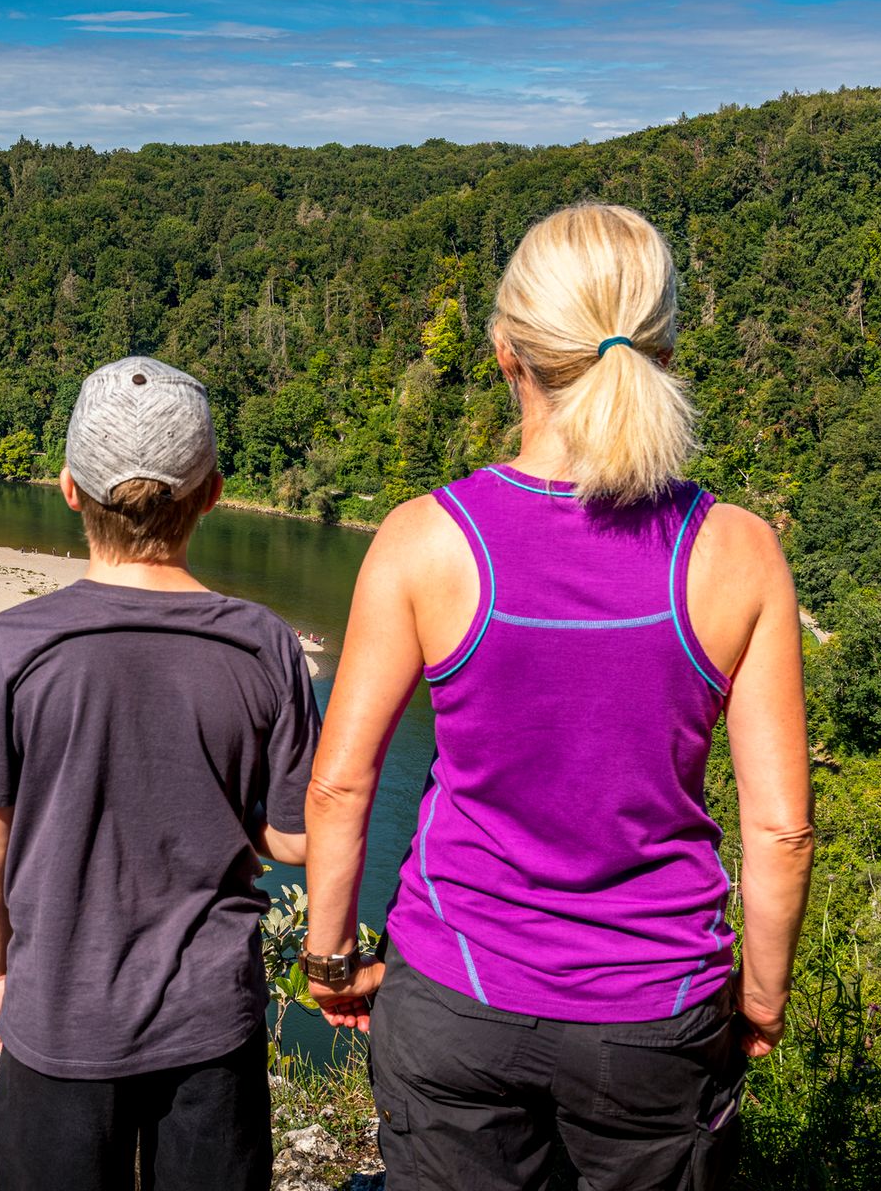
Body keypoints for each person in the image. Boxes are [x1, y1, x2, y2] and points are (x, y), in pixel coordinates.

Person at [301, 203, 813, 1189]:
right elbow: (781, 829)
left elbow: (339, 787)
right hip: (657, 1010)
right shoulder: (737, 552)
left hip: (455, 999)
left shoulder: (426, 541)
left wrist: (330, 961)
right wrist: (762, 993)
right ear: (663, 352)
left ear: (507, 353)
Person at [0, 356, 320, 1191]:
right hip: (212, 1023)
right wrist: (224, 812)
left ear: (69, 489)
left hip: (56, 1016)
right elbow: (297, 838)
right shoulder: (265, 644)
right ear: (212, 494)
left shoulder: (16, 645)